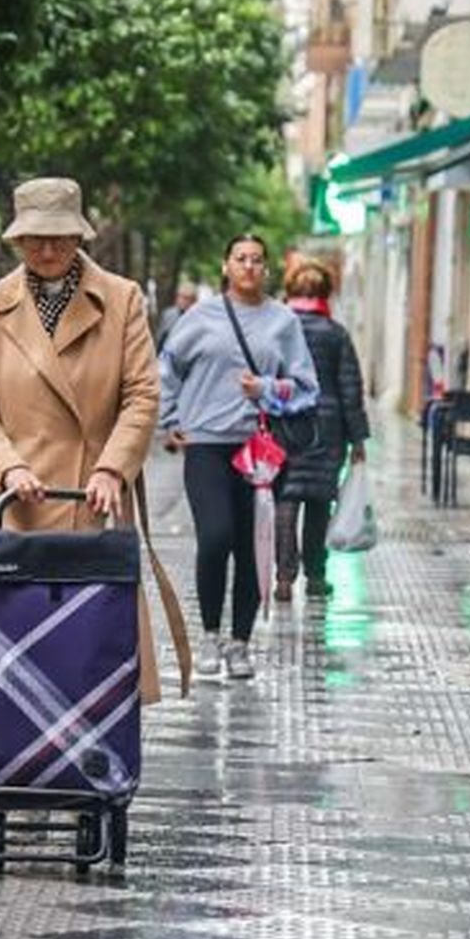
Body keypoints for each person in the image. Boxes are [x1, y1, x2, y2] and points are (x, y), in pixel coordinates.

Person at [0, 177, 187, 703]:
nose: (48, 248)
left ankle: (82, 755)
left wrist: (112, 467)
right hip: (13, 500)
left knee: (82, 645)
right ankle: (4, 751)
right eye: (35, 238)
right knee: (5, 647)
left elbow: (142, 396)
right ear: (16, 241)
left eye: (60, 236)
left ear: (81, 236)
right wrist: (8, 466)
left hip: (90, 497)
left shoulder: (122, 299)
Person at [160, 235, 317, 681]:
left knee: (253, 546)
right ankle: (209, 635)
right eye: (240, 259)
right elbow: (166, 367)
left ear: (266, 270)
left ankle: (240, 643)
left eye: (257, 260)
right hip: (206, 443)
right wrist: (170, 419)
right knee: (215, 537)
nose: (249, 266)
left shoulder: (283, 322)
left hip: (260, 448)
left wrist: (267, 389)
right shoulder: (200, 317)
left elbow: (307, 388)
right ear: (226, 266)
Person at [275, 260, 368, 603]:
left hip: (285, 425)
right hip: (328, 431)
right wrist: (358, 438)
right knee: (318, 503)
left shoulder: (278, 330)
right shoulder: (336, 334)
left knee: (285, 500)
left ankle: (283, 578)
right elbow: (349, 388)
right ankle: (316, 575)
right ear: (325, 293)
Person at [156, 282, 197, 348]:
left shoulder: (197, 317)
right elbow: (160, 337)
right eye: (180, 297)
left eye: (186, 298)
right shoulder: (168, 314)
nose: (182, 301)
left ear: (194, 300)